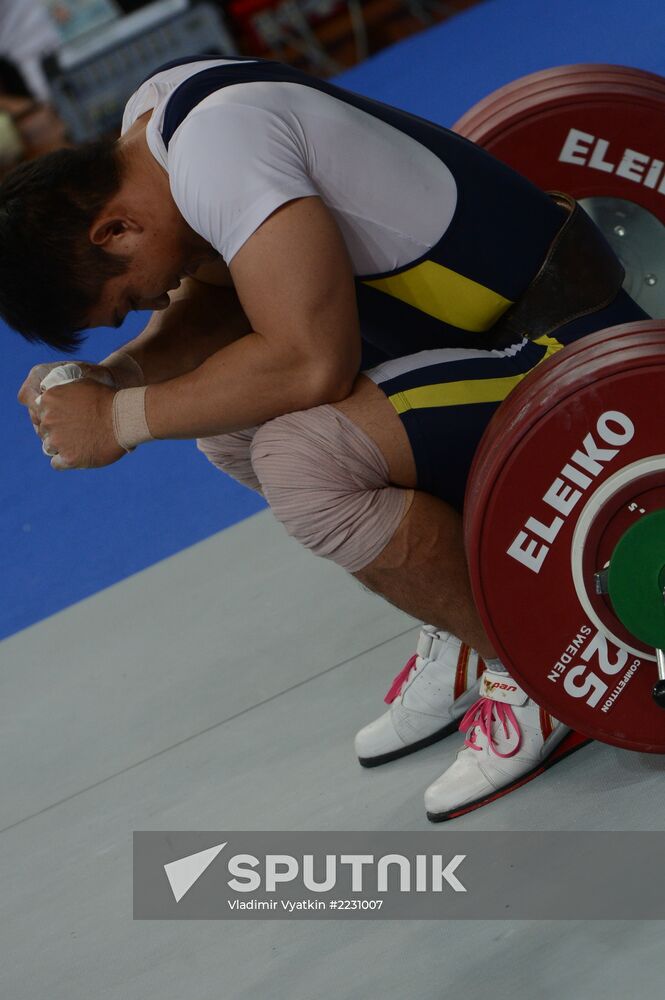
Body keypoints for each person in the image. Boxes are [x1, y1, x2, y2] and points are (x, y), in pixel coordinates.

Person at [1, 56, 648, 821]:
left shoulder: (220, 145)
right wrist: (113, 379)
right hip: (474, 338)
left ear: (113, 227)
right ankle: (462, 623)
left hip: (565, 345)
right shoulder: (159, 127)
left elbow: (310, 360)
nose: (148, 304)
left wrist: (118, 422)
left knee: (302, 458)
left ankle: (535, 670)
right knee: (231, 428)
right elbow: (220, 298)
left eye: (125, 297)